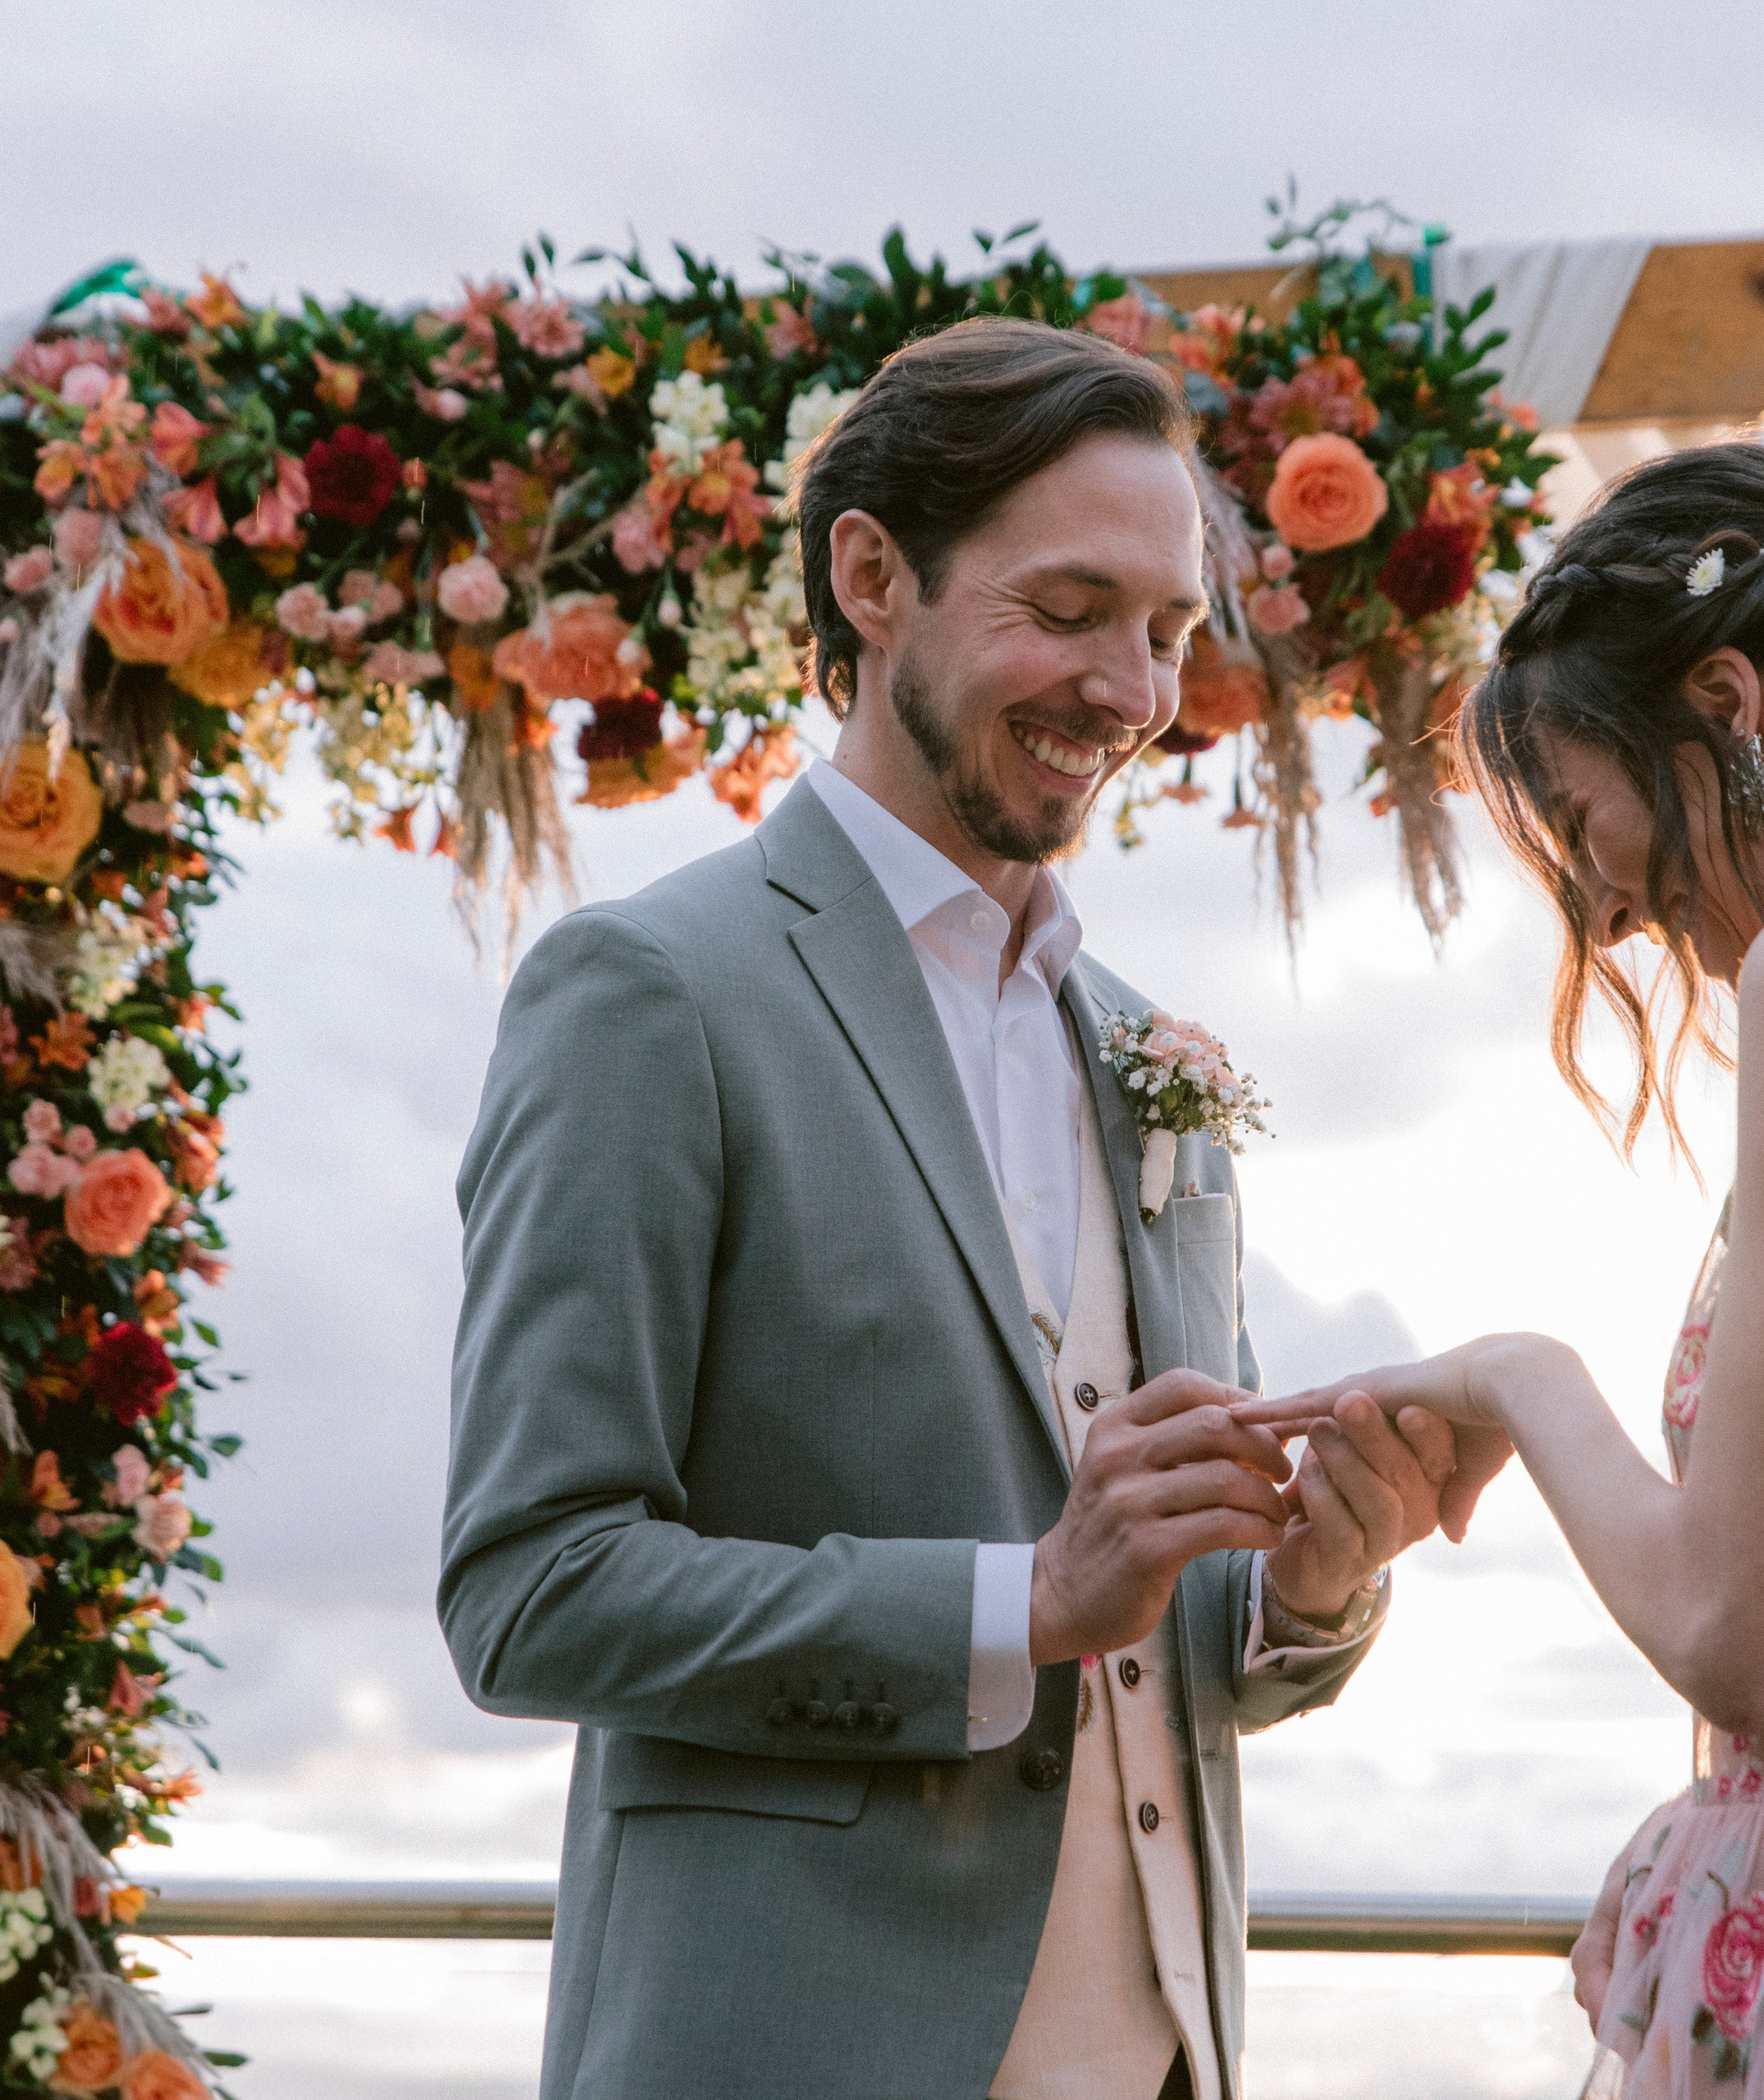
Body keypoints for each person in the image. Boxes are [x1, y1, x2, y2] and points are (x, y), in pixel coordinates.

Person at [439, 317, 1469, 2100]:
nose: (1132, 690)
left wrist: (1306, 1589)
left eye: (1167, 632)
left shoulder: (1146, 1049)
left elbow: (1164, 1645)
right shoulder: (650, 995)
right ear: (870, 577)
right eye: (1068, 610)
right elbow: (531, 1588)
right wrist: (1024, 1596)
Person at [1240, 441, 1764, 2096]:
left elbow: (1731, 1632)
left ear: (1726, 703)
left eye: (1582, 819)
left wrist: (1520, 1378)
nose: (1608, 909)